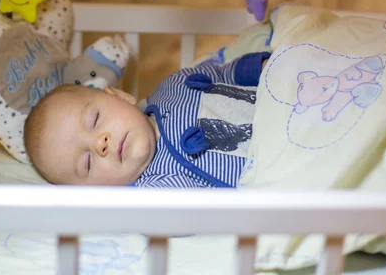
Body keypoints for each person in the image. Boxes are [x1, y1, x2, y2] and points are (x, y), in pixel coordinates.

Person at [24, 52, 271, 188]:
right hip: (286, 171)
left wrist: (264, 67)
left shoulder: (174, 86)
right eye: (87, 163)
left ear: (119, 95)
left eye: (96, 119)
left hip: (288, 102)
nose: (100, 143)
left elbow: (223, 73)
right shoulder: (155, 190)